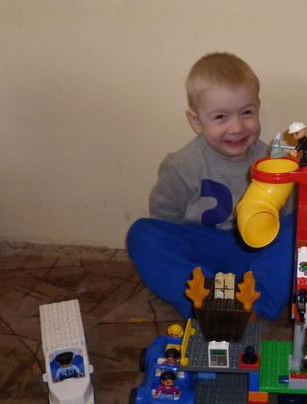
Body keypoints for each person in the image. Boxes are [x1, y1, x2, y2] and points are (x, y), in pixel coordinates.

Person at [127, 53, 296, 320]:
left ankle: (254, 306)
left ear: (258, 107)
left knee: (302, 229)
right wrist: (181, 253)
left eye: (247, 113)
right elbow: (166, 219)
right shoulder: (181, 165)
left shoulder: (275, 164)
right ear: (196, 122)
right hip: (201, 253)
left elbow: (283, 217)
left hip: (253, 255)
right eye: (220, 117)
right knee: (142, 233)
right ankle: (205, 302)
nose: (237, 127)